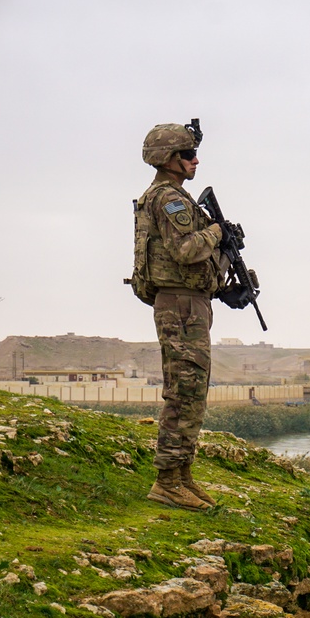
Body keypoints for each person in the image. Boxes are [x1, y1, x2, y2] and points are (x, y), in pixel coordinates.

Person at [136, 120, 226, 511]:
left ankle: (181, 474)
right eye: (187, 154)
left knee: (193, 392)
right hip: (181, 306)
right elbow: (186, 251)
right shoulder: (168, 199)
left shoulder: (171, 197)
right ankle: (168, 481)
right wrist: (217, 234)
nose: (195, 160)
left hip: (189, 303)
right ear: (168, 160)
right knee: (184, 392)